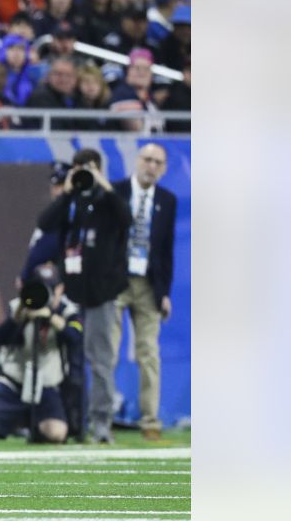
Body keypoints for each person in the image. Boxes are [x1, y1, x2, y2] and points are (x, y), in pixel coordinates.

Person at [35, 148, 132, 444]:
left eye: (88, 169)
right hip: (73, 290)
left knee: (100, 359)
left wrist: (103, 184)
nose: (83, 174)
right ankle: (75, 422)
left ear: (99, 169)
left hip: (102, 292)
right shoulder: (73, 199)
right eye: (78, 168)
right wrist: (67, 192)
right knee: (71, 360)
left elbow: (127, 219)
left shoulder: (109, 198)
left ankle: (101, 423)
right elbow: (45, 223)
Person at [0, 264, 82, 444]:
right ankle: (7, 425)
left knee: (57, 433)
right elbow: (1, 338)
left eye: (51, 288)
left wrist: (51, 317)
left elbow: (75, 338)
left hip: (47, 383)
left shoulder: (66, 309)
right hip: (14, 382)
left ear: (60, 289)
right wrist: (20, 317)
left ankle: (37, 428)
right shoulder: (19, 306)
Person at [112, 144, 177, 441]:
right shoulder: (117, 191)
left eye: (158, 162)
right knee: (107, 351)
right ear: (137, 161)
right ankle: (100, 418)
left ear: (163, 169)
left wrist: (164, 293)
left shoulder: (167, 200)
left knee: (149, 353)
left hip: (148, 284)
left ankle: (150, 420)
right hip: (116, 280)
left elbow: (165, 252)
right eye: (147, 159)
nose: (151, 166)